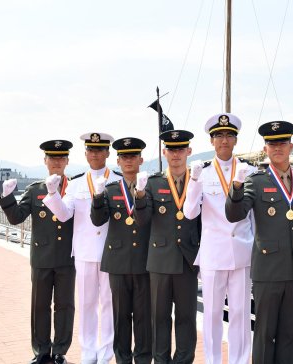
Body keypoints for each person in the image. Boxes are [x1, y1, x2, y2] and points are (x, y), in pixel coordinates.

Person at [225, 121, 293, 364]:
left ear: (291, 146)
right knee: (265, 334)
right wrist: (236, 186)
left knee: (291, 335)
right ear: (265, 148)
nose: (278, 148)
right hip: (268, 269)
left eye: (282, 143)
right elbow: (234, 215)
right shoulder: (256, 181)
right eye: (272, 143)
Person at [44, 132, 121, 364]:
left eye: (100, 150)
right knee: (87, 305)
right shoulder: (77, 183)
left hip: (111, 252)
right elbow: (65, 214)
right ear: (85, 153)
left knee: (109, 305)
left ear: (107, 153)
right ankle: (88, 354)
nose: (95, 154)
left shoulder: (117, 180)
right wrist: (52, 194)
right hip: (85, 252)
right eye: (91, 150)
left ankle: (106, 354)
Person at [183, 113, 255, 364]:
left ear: (235, 139)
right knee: (212, 314)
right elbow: (190, 212)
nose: (224, 140)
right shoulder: (201, 173)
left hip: (242, 252)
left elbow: (253, 218)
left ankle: (239, 360)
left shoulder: (250, 171)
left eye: (229, 135)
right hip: (213, 253)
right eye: (219, 136)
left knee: (240, 314)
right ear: (212, 141)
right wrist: (192, 181)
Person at [0, 140, 76, 364]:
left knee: (65, 306)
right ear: (45, 161)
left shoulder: (75, 188)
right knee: (40, 305)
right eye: (53, 158)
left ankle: (60, 351)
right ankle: (41, 351)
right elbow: (16, 217)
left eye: (61, 158)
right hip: (41, 257)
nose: (57, 162)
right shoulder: (35, 190)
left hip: (67, 258)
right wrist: (6, 197)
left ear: (67, 161)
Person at [134, 130, 201, 364]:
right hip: (161, 260)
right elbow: (142, 221)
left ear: (189, 152)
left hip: (187, 260)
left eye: (181, 149)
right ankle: (160, 360)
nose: (176, 154)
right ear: (165, 152)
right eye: (171, 149)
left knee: (186, 318)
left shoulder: (197, 181)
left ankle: (183, 360)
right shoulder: (153, 184)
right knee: (159, 317)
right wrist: (140, 196)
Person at [90, 137, 152, 364]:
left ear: (141, 160)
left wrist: (142, 194)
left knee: (144, 317)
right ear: (117, 160)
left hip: (144, 261)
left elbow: (144, 220)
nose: (128, 161)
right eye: (124, 157)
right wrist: (97, 198)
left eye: (133, 156)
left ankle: (144, 358)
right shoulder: (109, 189)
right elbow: (98, 221)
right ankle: (123, 359)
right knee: (120, 317)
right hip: (117, 261)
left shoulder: (150, 185)